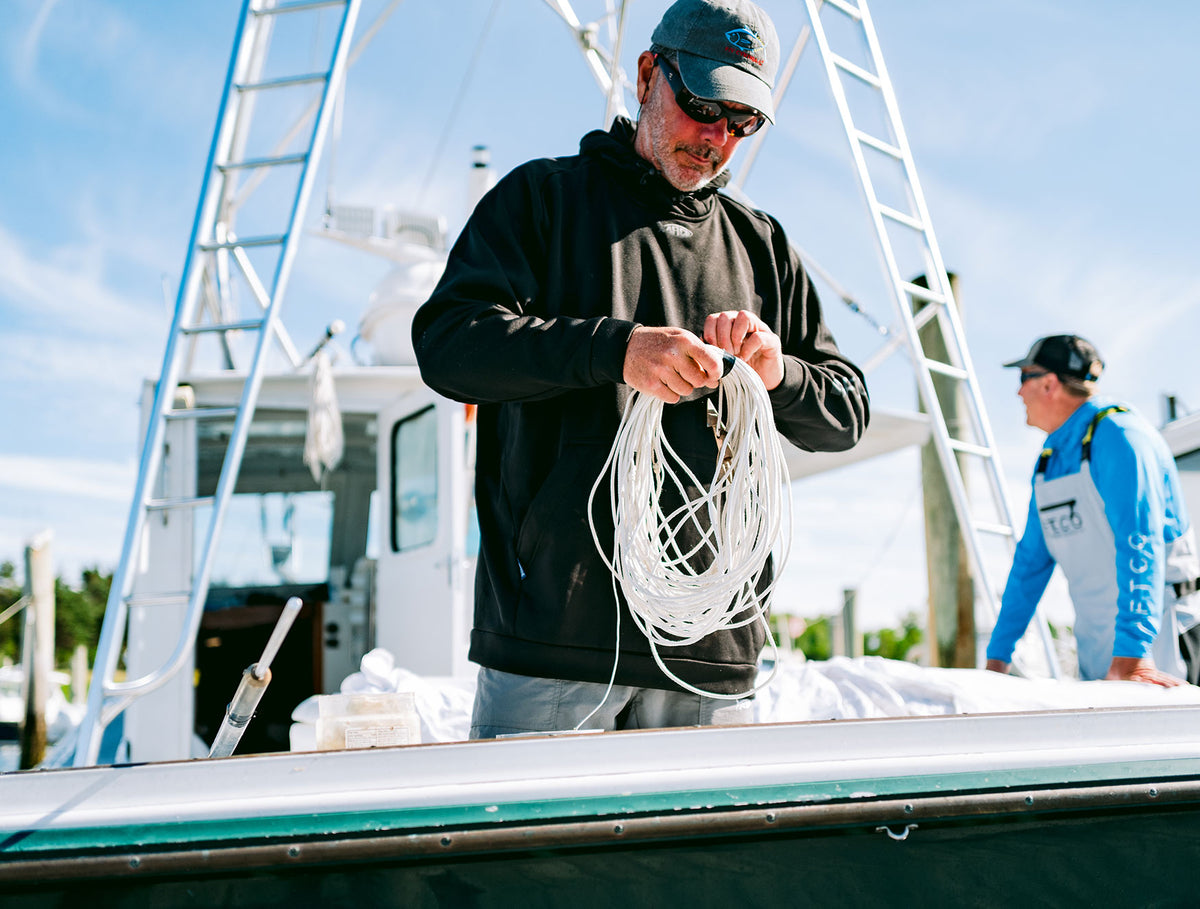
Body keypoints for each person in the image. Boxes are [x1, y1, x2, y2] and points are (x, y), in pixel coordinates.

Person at [413, 0, 869, 738]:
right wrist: (615, 350)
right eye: (700, 105)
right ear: (648, 74)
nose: (716, 138)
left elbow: (846, 410)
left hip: (712, 657)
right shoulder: (542, 201)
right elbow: (450, 343)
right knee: (533, 859)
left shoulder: (762, 247)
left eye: (741, 122)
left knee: (707, 861)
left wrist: (776, 371)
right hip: (556, 643)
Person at [985, 334, 1200, 687]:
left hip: (1158, 644)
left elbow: (1140, 544)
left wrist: (1133, 657)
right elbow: (1029, 566)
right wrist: (997, 659)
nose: (1018, 392)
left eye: (1024, 378)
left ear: (1049, 384)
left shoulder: (1121, 435)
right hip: (1100, 650)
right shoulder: (1050, 459)